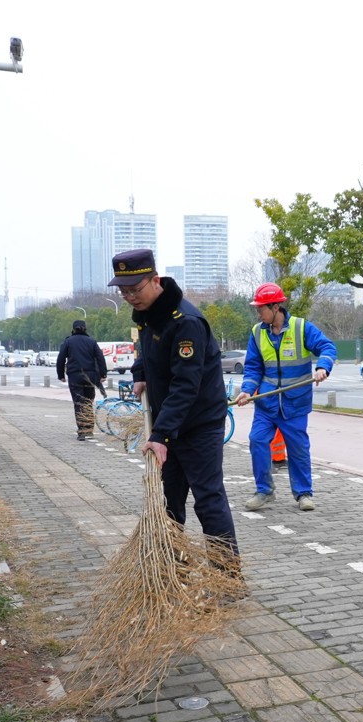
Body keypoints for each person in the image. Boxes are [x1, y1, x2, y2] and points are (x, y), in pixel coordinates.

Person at [109, 248, 243, 584]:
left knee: (208, 499)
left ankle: (229, 578)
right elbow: (145, 349)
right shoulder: (148, 312)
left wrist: (160, 436)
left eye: (134, 290)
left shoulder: (187, 323)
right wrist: (140, 373)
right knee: (170, 503)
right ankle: (173, 570)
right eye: (123, 292)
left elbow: (186, 385)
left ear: (155, 280)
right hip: (169, 422)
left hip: (198, 424)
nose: (129, 298)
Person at [234, 282, 337, 512]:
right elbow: (253, 366)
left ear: (275, 307)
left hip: (295, 403)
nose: (258, 313)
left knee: (298, 447)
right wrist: (247, 391)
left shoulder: (301, 328)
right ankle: (264, 491)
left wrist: (322, 367)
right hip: (267, 403)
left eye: (261, 308)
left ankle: (303, 494)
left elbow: (327, 347)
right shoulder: (257, 333)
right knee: (257, 440)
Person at [56, 319, 107, 441]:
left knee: (79, 403)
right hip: (90, 376)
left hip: (75, 376)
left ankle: (82, 431)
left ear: (73, 329)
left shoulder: (68, 342)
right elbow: (100, 358)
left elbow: (61, 359)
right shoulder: (91, 341)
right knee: (88, 402)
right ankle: (89, 428)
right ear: (85, 329)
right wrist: (103, 374)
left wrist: (61, 375)